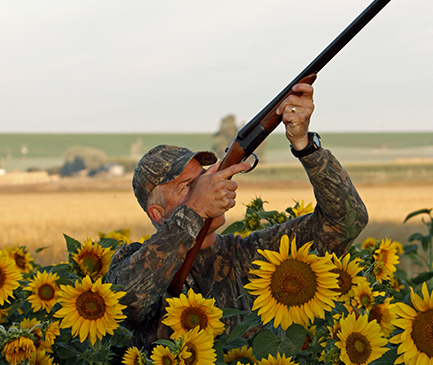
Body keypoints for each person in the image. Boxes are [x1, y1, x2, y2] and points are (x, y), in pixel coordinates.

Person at [108, 81, 368, 345]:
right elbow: (127, 302)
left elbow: (347, 222)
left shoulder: (253, 255)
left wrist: (305, 145)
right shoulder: (132, 262)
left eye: (204, 178)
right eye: (188, 186)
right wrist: (196, 208)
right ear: (157, 213)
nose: (207, 187)